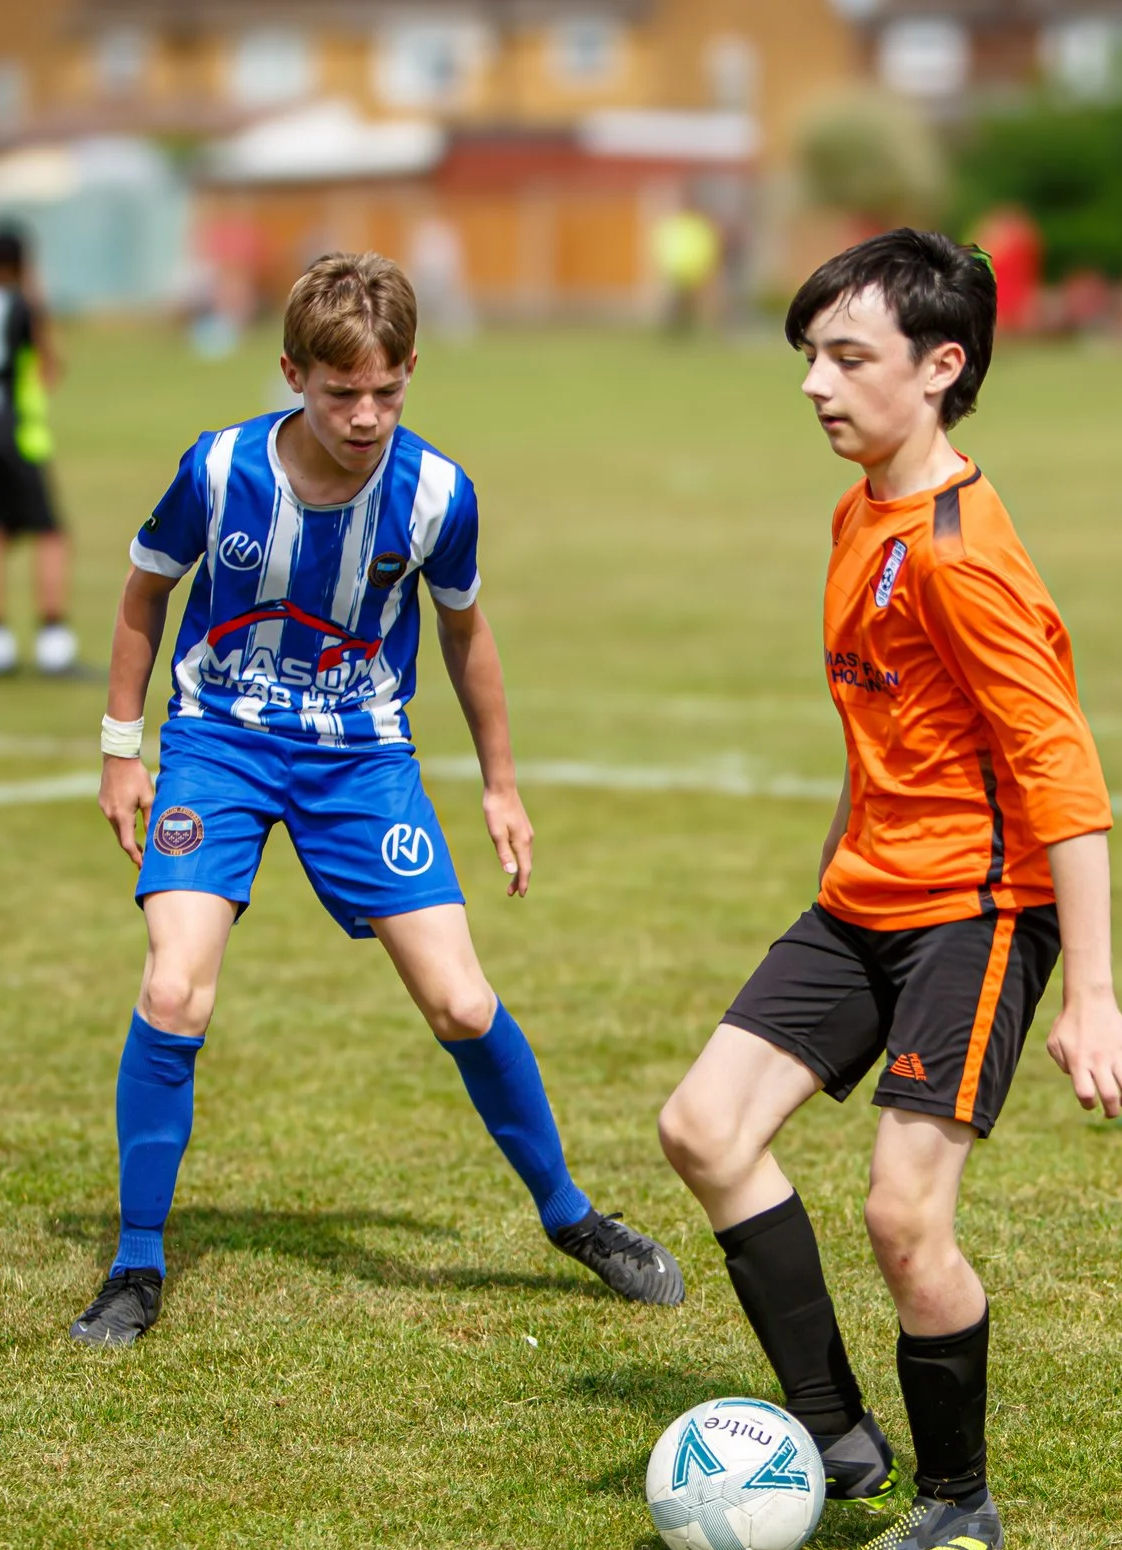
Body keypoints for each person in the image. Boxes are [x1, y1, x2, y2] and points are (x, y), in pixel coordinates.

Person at [69, 252, 684, 1347]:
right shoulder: (219, 469)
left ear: (410, 373)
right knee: (173, 988)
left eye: (386, 392)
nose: (364, 416)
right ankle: (137, 1261)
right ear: (291, 373)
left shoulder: (438, 493)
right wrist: (123, 749)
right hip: (219, 744)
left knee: (461, 1001)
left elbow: (464, 632)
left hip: (362, 756)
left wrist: (501, 782)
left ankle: (573, 1216)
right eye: (340, 391)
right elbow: (144, 592)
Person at [654, 229, 1122, 1550]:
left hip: (975, 912)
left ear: (941, 367)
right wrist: (830, 877)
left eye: (847, 357)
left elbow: (1063, 770)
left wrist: (1093, 992)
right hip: (864, 896)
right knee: (703, 1126)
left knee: (902, 1214)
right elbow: (880, 725)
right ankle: (833, 1430)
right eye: (809, 356)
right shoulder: (859, 511)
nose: (815, 383)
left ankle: (958, 1501)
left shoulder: (960, 555)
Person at [0, 224, 81, 676]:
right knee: (50, 534)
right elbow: (48, 367)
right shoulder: (21, 305)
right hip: (19, 432)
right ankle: (52, 639)